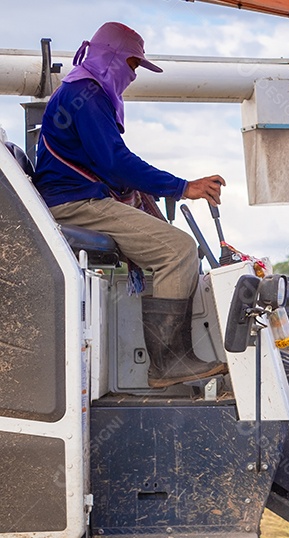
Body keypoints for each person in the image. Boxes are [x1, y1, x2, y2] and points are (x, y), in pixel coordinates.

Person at [33, 22, 227, 388]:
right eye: (133, 65)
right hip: (75, 204)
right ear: (112, 58)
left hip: (77, 198)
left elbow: (110, 163)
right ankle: (168, 363)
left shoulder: (83, 91)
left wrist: (150, 188)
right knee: (179, 250)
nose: (134, 75)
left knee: (168, 249)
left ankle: (171, 359)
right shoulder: (88, 95)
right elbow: (115, 162)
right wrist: (182, 187)